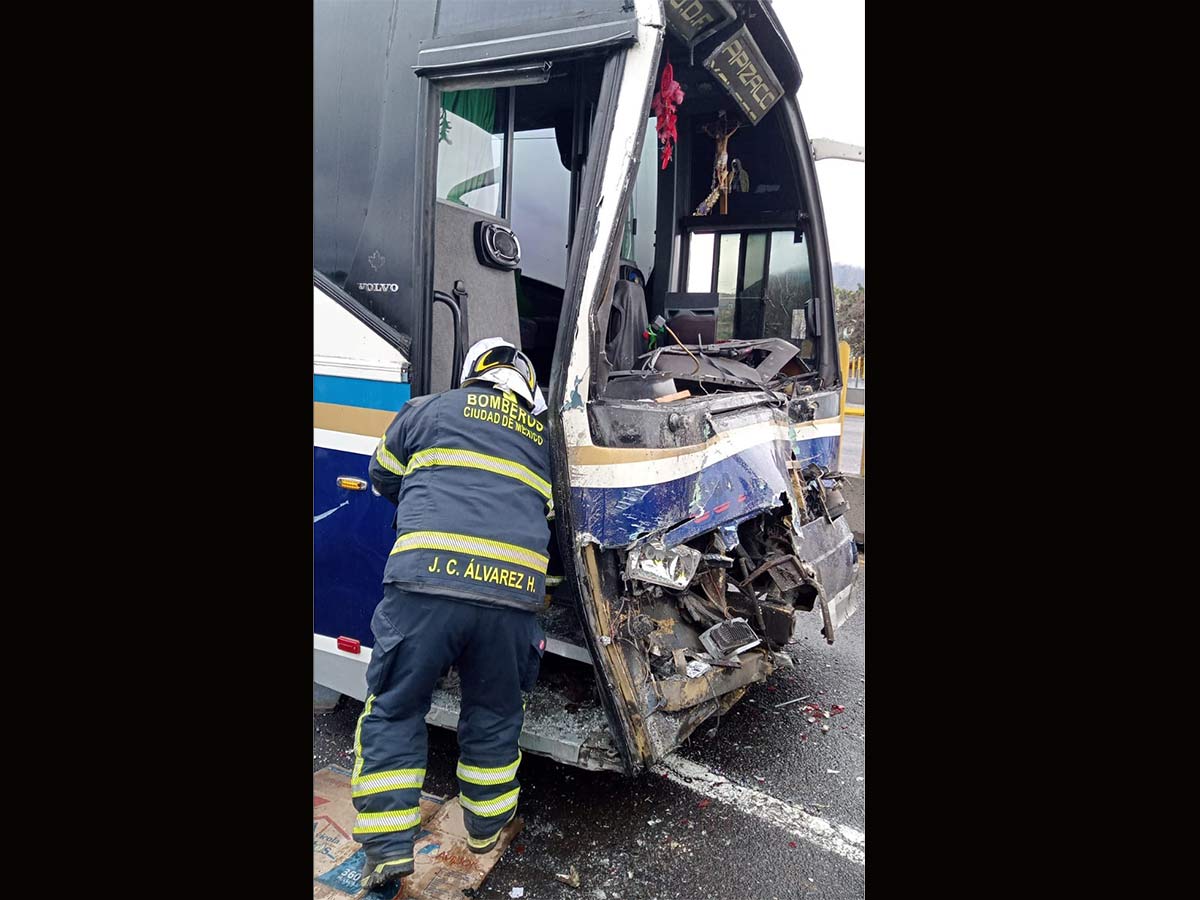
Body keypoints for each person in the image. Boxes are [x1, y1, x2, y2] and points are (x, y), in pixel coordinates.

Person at [354, 337, 553, 894]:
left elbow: (382, 476)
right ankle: (487, 832)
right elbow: (548, 524)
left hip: (425, 590)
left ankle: (389, 852)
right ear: (527, 391)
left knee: (395, 709)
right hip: (512, 603)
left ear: (473, 374)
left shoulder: (428, 410)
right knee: (494, 713)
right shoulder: (543, 443)